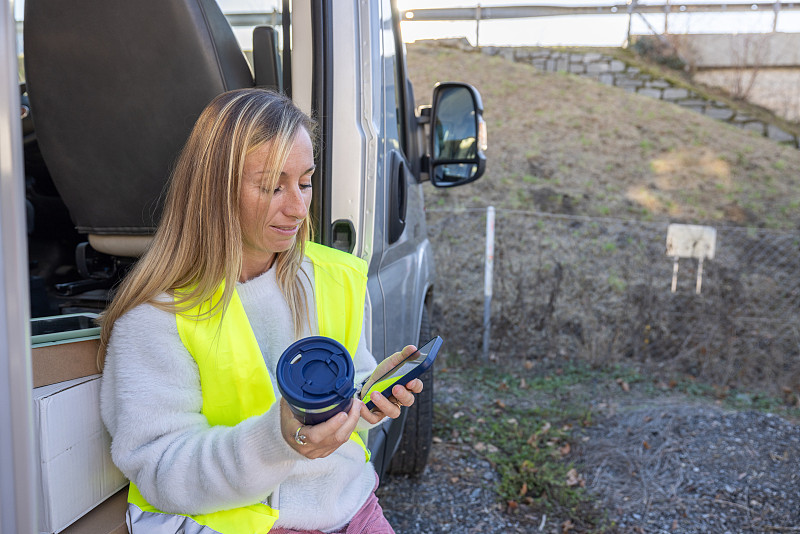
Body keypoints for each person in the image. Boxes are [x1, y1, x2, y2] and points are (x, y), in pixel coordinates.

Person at [99, 88, 423, 534]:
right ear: (214, 190)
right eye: (272, 187)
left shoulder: (338, 277)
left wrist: (367, 398)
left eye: (305, 182)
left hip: (352, 507)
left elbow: (350, 386)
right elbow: (161, 472)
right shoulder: (156, 316)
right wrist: (280, 440)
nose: (297, 207)